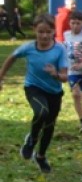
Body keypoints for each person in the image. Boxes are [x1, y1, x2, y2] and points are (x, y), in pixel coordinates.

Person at [0, 13, 68, 173]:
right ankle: (31, 140)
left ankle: (41, 156)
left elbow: (65, 77)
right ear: (34, 31)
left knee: (49, 126)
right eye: (40, 32)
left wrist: (55, 74)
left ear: (53, 32)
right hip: (33, 87)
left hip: (54, 92)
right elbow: (11, 57)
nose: (44, 35)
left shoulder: (60, 49)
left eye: (47, 32)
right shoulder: (29, 47)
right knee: (41, 112)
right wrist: (1, 77)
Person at [62, 9, 82, 133]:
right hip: (72, 71)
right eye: (73, 23)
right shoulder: (66, 35)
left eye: (78, 23)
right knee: (76, 94)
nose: (75, 26)